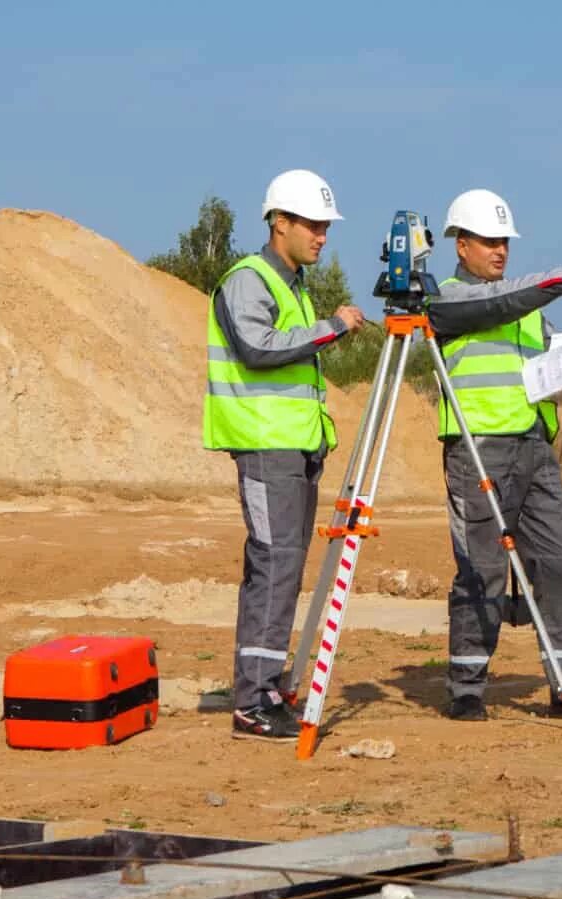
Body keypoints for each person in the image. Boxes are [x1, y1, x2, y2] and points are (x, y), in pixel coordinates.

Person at [426, 188, 562, 724]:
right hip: (478, 451)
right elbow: (504, 301)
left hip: (533, 449)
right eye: (490, 241)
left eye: (505, 242)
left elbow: (540, 360)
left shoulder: (522, 309)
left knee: (559, 566)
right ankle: (467, 688)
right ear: (461, 244)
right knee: (482, 572)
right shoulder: (449, 299)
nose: (500, 250)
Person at [203, 169, 365, 741]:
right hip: (266, 445)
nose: (322, 236)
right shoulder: (249, 280)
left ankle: (266, 689)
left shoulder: (293, 285)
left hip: (294, 446)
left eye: (325, 226)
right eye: (313, 225)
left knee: (281, 566)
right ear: (280, 223)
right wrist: (332, 328)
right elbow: (257, 348)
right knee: (274, 566)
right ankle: (253, 701)